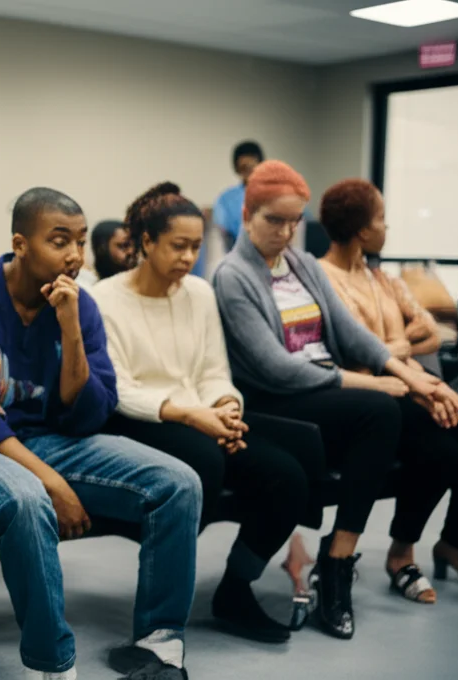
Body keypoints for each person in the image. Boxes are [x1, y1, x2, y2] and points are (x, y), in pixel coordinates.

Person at [0, 187, 202, 680]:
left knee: (178, 483)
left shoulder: (81, 305)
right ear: (21, 243)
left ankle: (159, 643)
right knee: (28, 501)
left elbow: (90, 413)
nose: (74, 255)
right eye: (59, 241)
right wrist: (51, 482)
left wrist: (70, 327)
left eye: (79, 240)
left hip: (57, 442)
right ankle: (52, 664)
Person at [211, 160, 458, 640]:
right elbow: (275, 368)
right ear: (247, 215)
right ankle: (339, 559)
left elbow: (353, 335)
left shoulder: (301, 264)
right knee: (381, 409)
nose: (285, 232)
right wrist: (371, 383)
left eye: (294, 221)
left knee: (437, 438)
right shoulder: (233, 276)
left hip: (330, 389)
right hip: (280, 400)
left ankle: (399, 553)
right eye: (273, 220)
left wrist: (410, 376)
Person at [94, 182, 316, 644]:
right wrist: (192, 415)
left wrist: (227, 408)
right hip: (140, 419)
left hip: (202, 418)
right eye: (178, 246)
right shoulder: (105, 298)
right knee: (207, 461)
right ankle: (163, 595)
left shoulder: (198, 292)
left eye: (195, 247)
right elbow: (117, 390)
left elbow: (215, 370)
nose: (188, 256)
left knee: (288, 476)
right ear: (147, 243)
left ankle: (235, 589)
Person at [319, 178, 458, 596]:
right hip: (371, 396)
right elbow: (352, 353)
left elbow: (432, 333)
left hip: (414, 386)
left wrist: (388, 348)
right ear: (363, 229)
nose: (387, 227)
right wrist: (397, 350)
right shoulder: (324, 280)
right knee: (443, 451)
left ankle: (454, 544)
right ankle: (402, 553)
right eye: (381, 218)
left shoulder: (382, 279)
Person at [76, 219, 137, 288]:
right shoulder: (87, 285)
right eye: (124, 245)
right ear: (102, 248)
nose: (131, 251)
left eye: (135, 245)